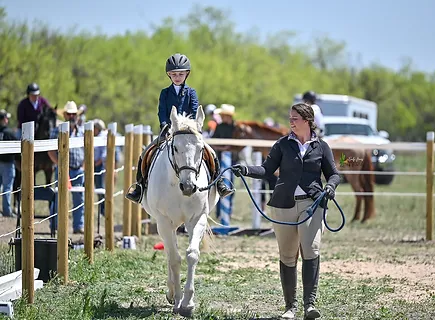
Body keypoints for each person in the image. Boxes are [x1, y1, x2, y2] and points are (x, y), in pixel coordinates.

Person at [231, 102, 340, 319]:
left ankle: (310, 305)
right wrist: (246, 170)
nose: (290, 122)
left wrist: (330, 186)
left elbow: (334, 174)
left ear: (308, 121)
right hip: (283, 205)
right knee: (288, 256)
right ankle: (290, 307)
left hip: (312, 204)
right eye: (290, 118)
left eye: (295, 119)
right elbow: (266, 169)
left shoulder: (322, 147)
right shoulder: (281, 145)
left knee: (311, 249)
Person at [125, 53, 234, 203]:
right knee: (145, 154)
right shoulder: (165, 93)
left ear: (186, 74)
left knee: (211, 153)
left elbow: (194, 110)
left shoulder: (191, 92)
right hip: (169, 130)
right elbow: (162, 111)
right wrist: (165, 125)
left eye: (181, 74)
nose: (177, 77)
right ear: (169, 75)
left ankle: (219, 183)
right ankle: (139, 187)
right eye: (174, 74)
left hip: (188, 131)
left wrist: (188, 126)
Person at [48, 101, 85, 234]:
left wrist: (84, 165)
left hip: (78, 169)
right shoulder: (56, 130)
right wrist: (60, 165)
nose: (71, 116)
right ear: (65, 115)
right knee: (59, 198)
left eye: (74, 114)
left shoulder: (81, 131)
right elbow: (51, 151)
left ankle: (78, 226)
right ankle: (55, 225)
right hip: (63, 169)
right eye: (69, 114)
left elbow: (86, 150)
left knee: (79, 199)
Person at [0, 109, 17, 217]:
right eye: (6, 118)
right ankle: (7, 211)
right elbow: (17, 148)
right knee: (7, 187)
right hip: (8, 164)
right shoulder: (9, 133)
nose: (7, 120)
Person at [93, 119, 107, 216]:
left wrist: (94, 164)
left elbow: (103, 155)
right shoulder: (96, 137)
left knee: (100, 188)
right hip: (93, 164)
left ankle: (103, 209)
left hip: (98, 166)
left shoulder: (101, 138)